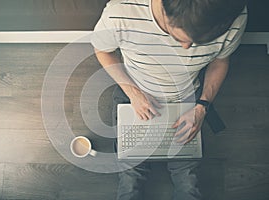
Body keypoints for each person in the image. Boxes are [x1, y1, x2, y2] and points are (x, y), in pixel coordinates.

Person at [91, 0, 247, 199]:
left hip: (187, 101)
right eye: (178, 35)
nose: (186, 47)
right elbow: (103, 50)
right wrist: (133, 92)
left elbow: (221, 60)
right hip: (134, 94)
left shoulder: (233, 15)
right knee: (130, 178)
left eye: (200, 41)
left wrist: (202, 106)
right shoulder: (120, 12)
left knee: (189, 181)